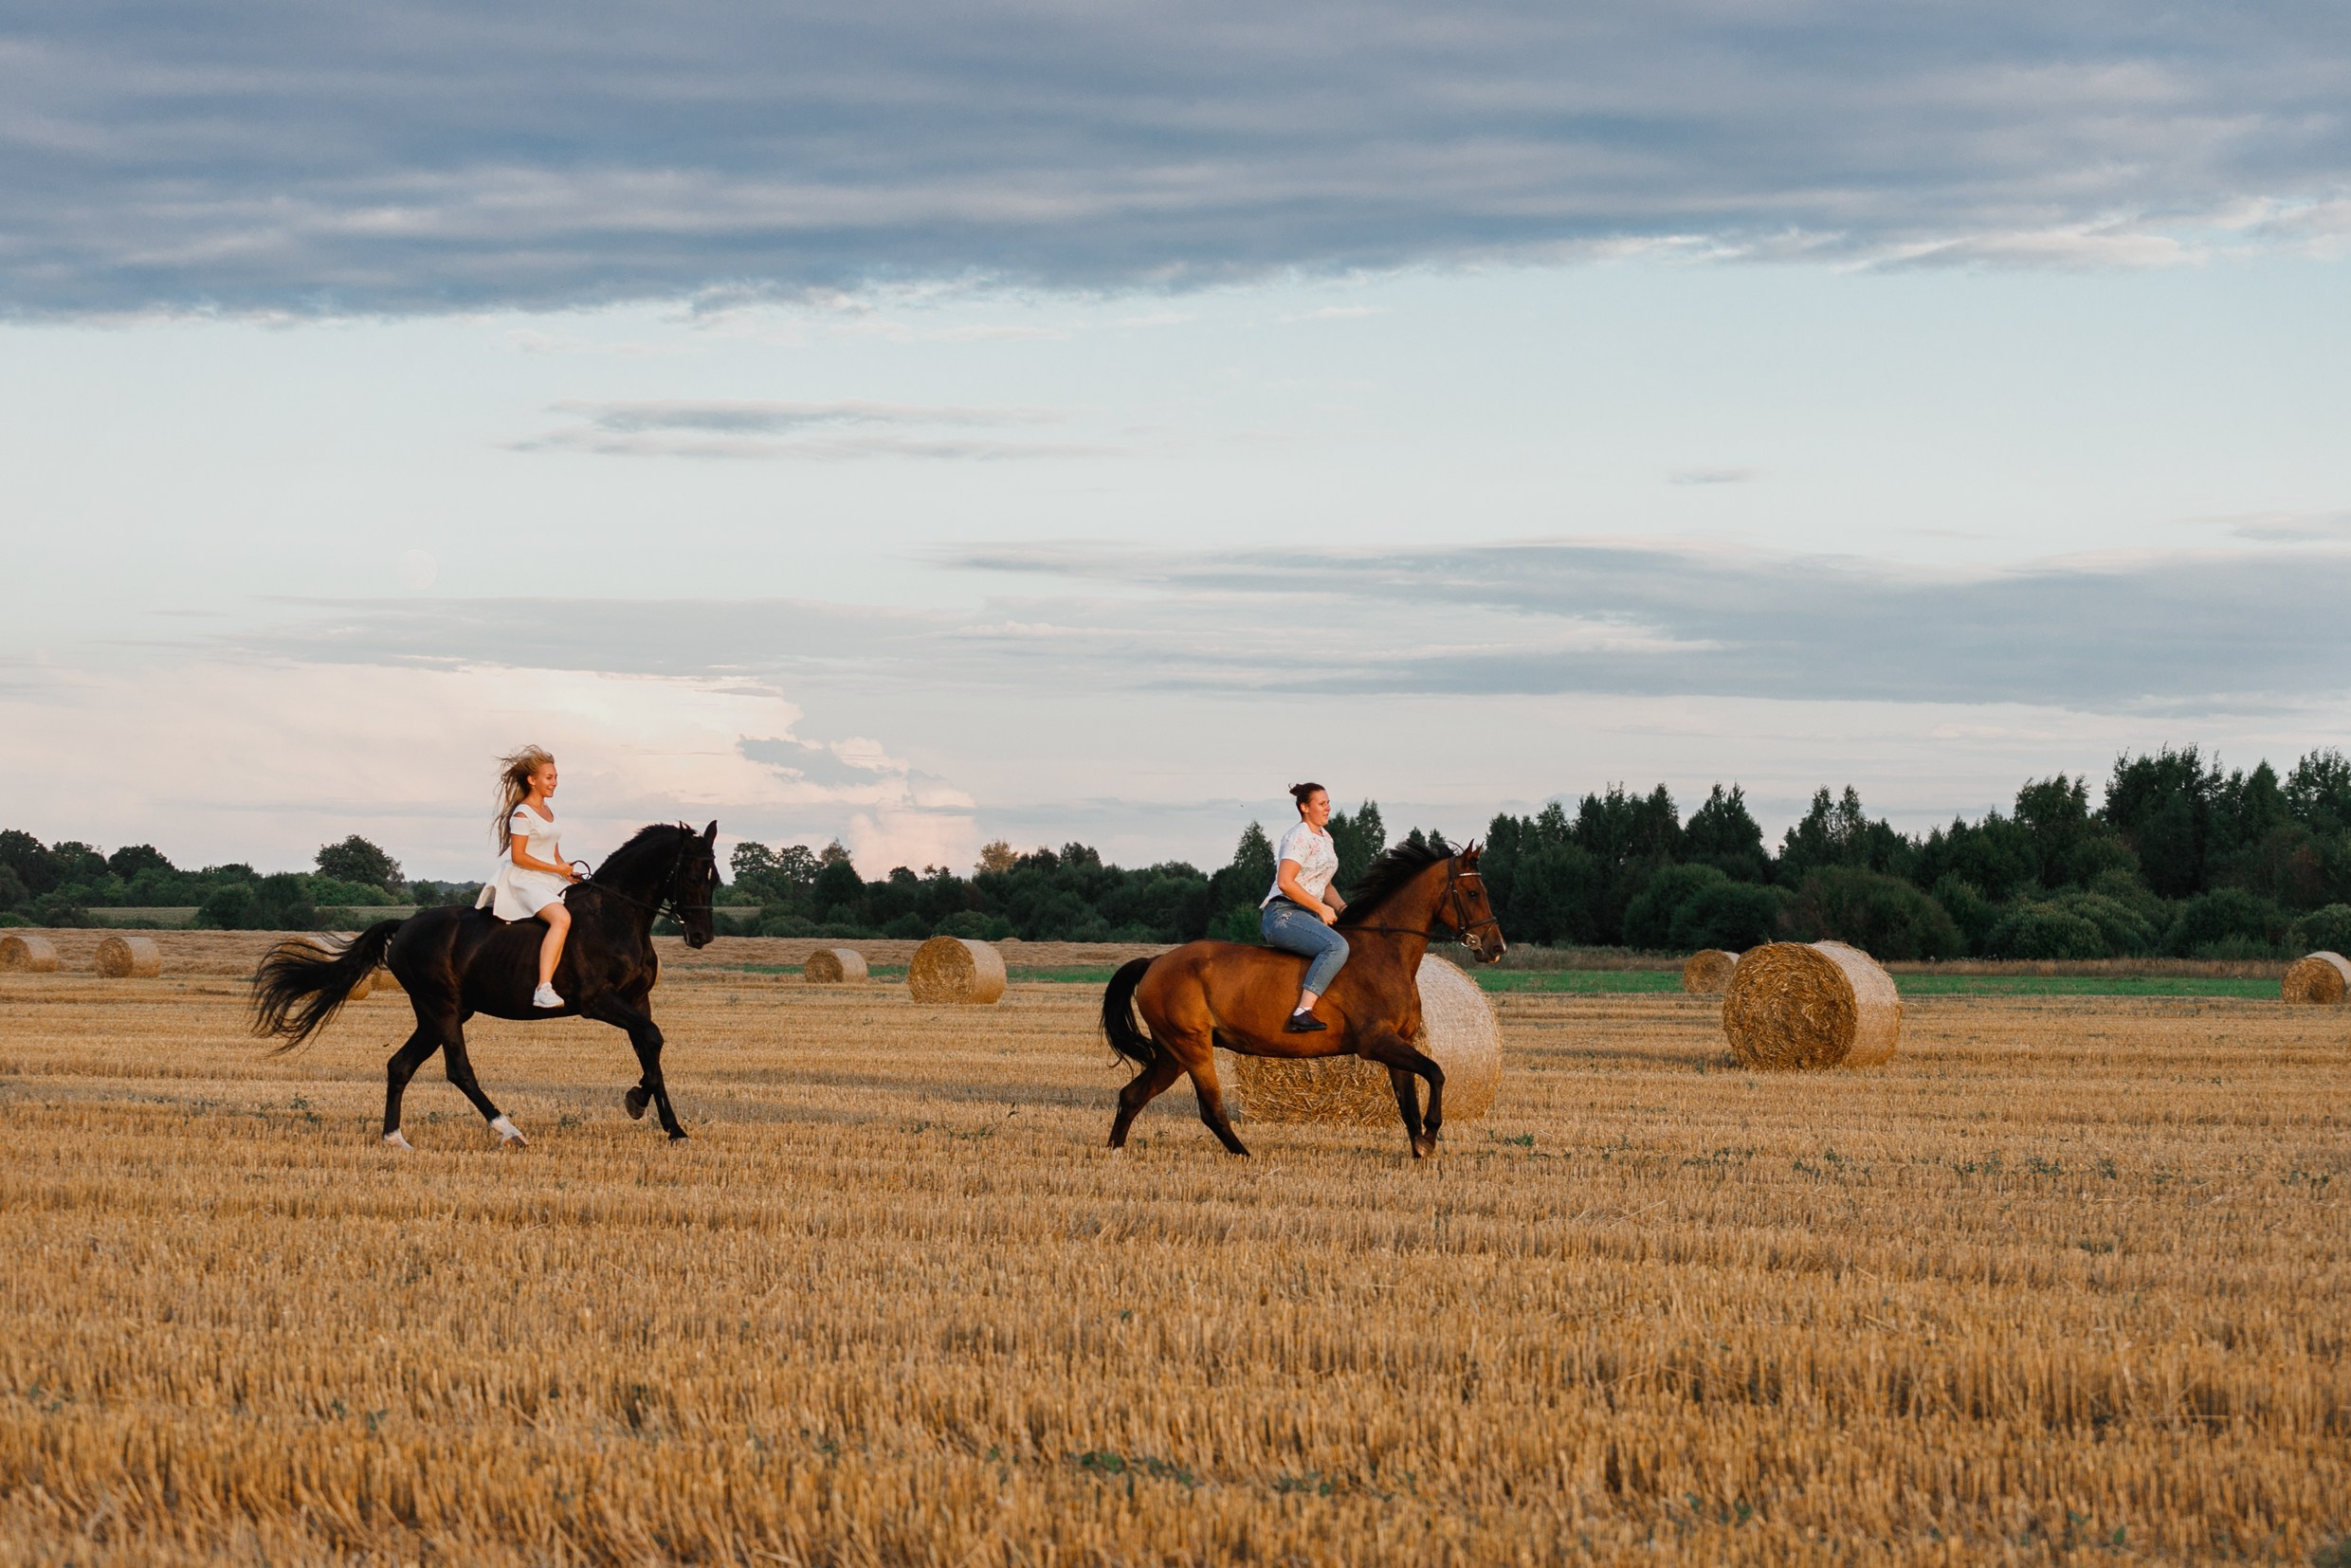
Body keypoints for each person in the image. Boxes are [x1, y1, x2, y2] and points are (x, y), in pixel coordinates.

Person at [476, 744, 579, 1009]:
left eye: (555, 777)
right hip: (525, 879)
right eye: (549, 777)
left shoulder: (548, 811)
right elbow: (518, 857)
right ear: (532, 780)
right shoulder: (522, 814)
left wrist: (568, 872)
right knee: (561, 918)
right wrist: (557, 870)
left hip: (549, 877)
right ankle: (543, 988)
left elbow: (553, 851)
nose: (554, 782)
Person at [1259, 781, 1348, 1031]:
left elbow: (1324, 885)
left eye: (1328, 802)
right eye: (1322, 803)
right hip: (1283, 914)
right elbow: (1286, 882)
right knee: (1336, 946)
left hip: (1309, 914)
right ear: (1305, 807)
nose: (1328, 808)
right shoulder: (1298, 836)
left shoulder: (1325, 838)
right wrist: (1321, 909)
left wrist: (1342, 909)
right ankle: (1303, 1012)